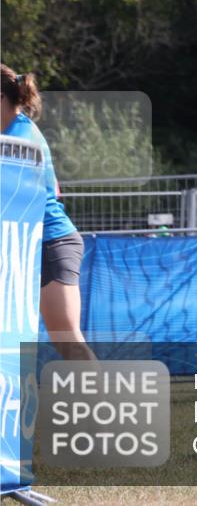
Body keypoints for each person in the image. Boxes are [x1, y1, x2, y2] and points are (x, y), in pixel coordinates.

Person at [1, 65, 93, 360]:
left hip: (51, 243)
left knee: (68, 340)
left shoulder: (19, 138)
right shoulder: (13, 133)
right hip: (27, 244)